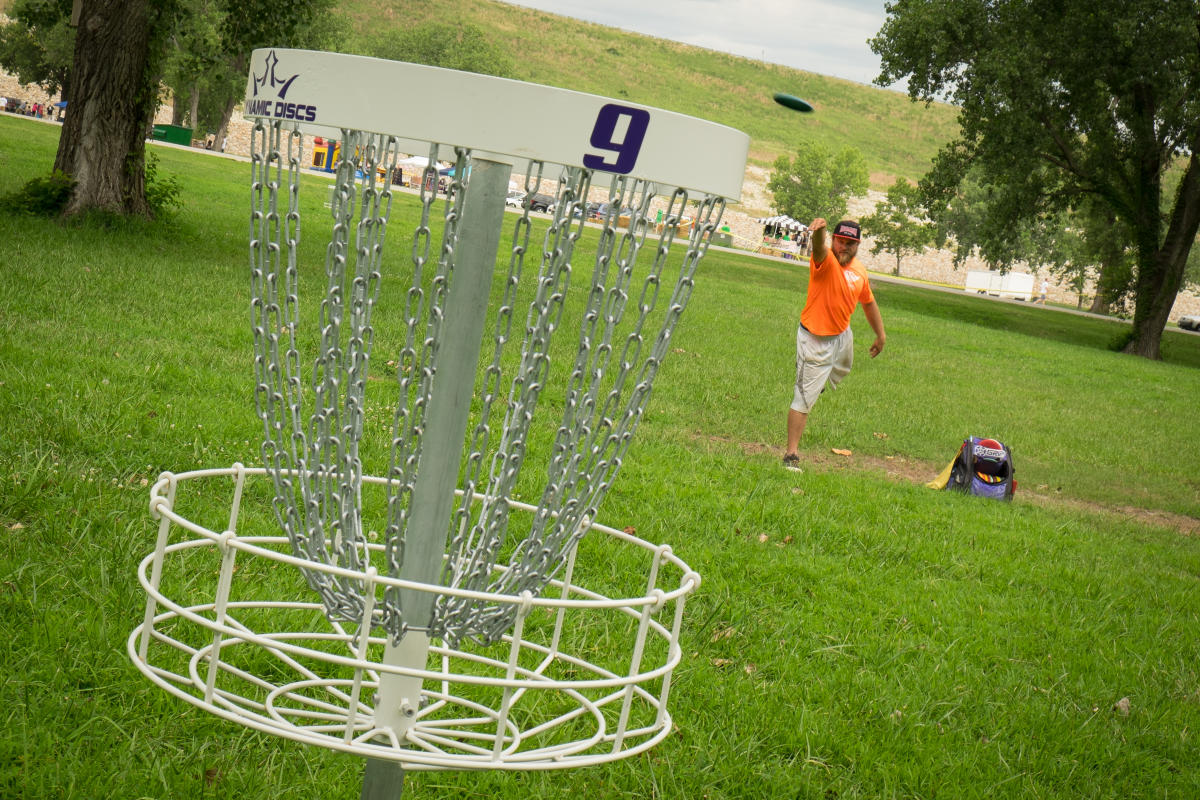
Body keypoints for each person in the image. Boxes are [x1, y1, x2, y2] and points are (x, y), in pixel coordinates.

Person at [783, 218, 886, 471]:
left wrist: (880, 334)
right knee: (804, 397)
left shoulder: (859, 271)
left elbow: (868, 302)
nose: (845, 247)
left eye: (851, 243)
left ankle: (819, 381)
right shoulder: (825, 261)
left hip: (841, 336)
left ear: (858, 245)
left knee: (840, 370)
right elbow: (818, 249)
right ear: (833, 240)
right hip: (815, 339)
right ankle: (791, 454)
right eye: (840, 241)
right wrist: (819, 232)